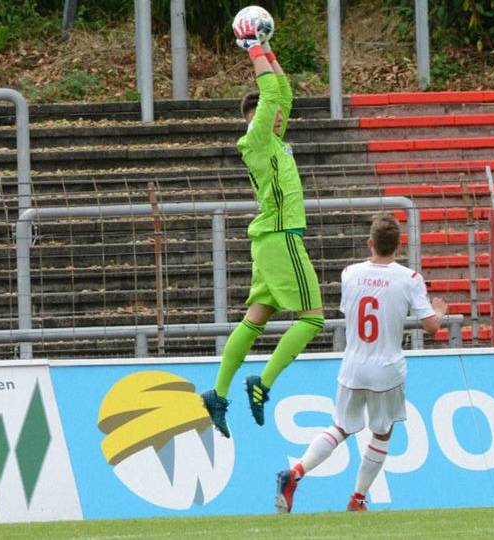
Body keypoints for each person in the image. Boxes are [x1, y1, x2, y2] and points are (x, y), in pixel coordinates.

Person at [199, 12, 325, 438]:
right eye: (269, 114)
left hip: (269, 240)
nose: (277, 117)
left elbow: (281, 92)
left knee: (254, 319)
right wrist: (253, 46)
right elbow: (271, 92)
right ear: (255, 118)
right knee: (313, 320)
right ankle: (263, 383)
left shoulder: (272, 138)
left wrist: (267, 48)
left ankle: (217, 393)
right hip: (281, 236)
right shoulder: (256, 140)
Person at [274, 213, 447, 513]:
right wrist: (439, 310)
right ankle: (357, 499)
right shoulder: (410, 279)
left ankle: (296, 473)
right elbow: (431, 327)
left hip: (353, 365)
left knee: (340, 427)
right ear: (399, 245)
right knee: (382, 432)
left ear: (370, 243)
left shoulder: (350, 274)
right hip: (386, 370)